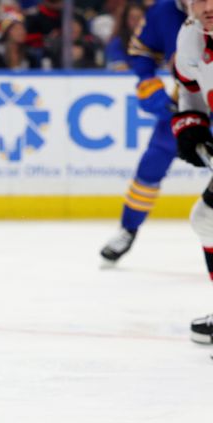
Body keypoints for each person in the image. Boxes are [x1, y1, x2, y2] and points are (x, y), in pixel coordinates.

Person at [98, 0, 186, 263]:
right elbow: (141, 50)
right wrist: (148, 83)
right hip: (188, 101)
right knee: (152, 164)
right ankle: (128, 229)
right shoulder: (164, 10)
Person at [172, 0, 213, 343]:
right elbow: (191, 91)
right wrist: (192, 127)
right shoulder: (190, 37)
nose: (208, 5)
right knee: (207, 220)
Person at [104, 3, 143, 71]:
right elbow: (120, 67)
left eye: (139, 18)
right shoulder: (117, 42)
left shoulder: (155, 41)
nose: (137, 22)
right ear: (126, 20)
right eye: (133, 18)